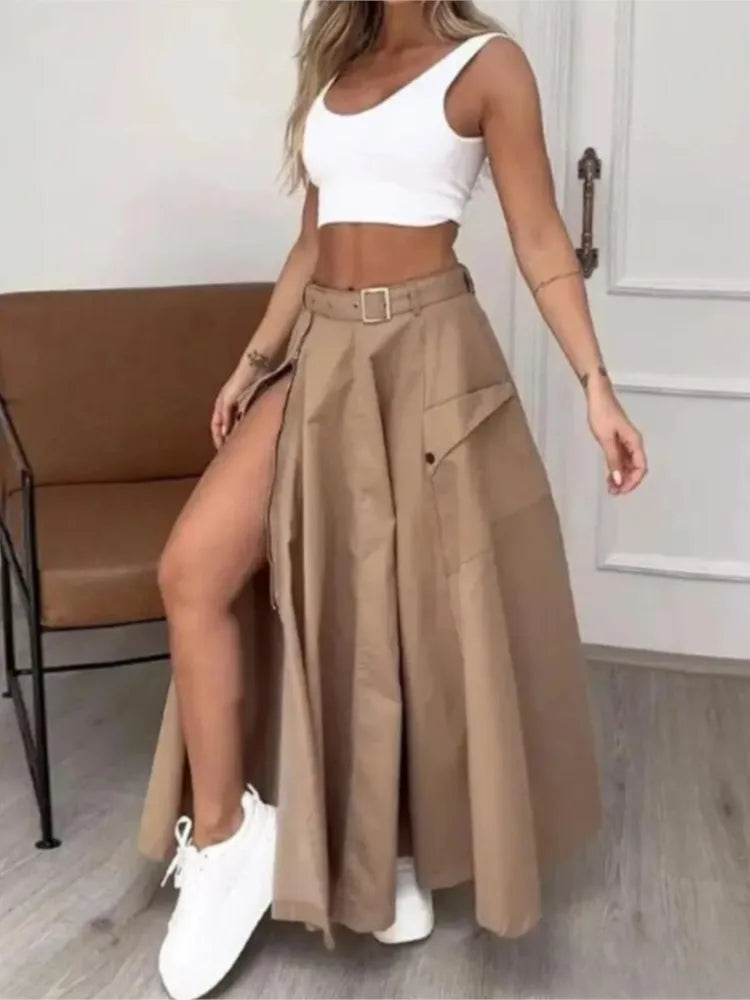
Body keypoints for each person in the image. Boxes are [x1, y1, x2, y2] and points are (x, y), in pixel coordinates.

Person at [139, 2, 648, 998]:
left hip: (428, 353)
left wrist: (597, 385)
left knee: (408, 616)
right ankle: (232, 841)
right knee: (193, 571)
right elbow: (311, 243)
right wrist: (255, 360)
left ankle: (394, 852)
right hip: (322, 353)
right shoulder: (336, 69)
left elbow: (541, 238)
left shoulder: (488, 66)